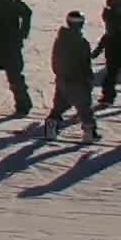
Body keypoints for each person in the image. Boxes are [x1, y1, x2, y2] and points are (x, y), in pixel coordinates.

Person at [46, 11, 101, 142]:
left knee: (59, 105)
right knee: (84, 107)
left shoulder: (60, 39)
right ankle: (89, 133)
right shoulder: (81, 42)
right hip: (77, 80)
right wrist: (88, 78)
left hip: (62, 78)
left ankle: (50, 128)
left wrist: (59, 74)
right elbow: (85, 63)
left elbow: (55, 60)